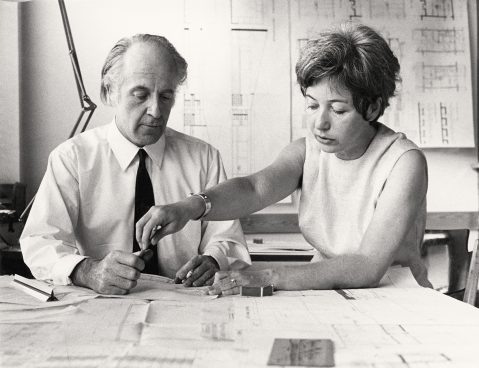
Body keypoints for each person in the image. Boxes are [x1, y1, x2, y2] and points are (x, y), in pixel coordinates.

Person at [136, 23, 433, 295]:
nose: (320, 123)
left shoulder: (403, 162)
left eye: (338, 110)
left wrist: (268, 275)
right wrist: (190, 207)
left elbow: (367, 265)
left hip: (396, 294)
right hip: (329, 292)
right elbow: (254, 188)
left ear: (372, 108)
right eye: (313, 105)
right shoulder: (308, 151)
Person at [20, 34, 251, 295]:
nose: (156, 110)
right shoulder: (72, 158)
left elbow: (227, 238)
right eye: (140, 95)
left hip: (188, 305)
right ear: (109, 92)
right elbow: (39, 241)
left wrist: (213, 261)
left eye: (166, 96)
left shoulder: (204, 158)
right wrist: (87, 270)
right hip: (99, 307)